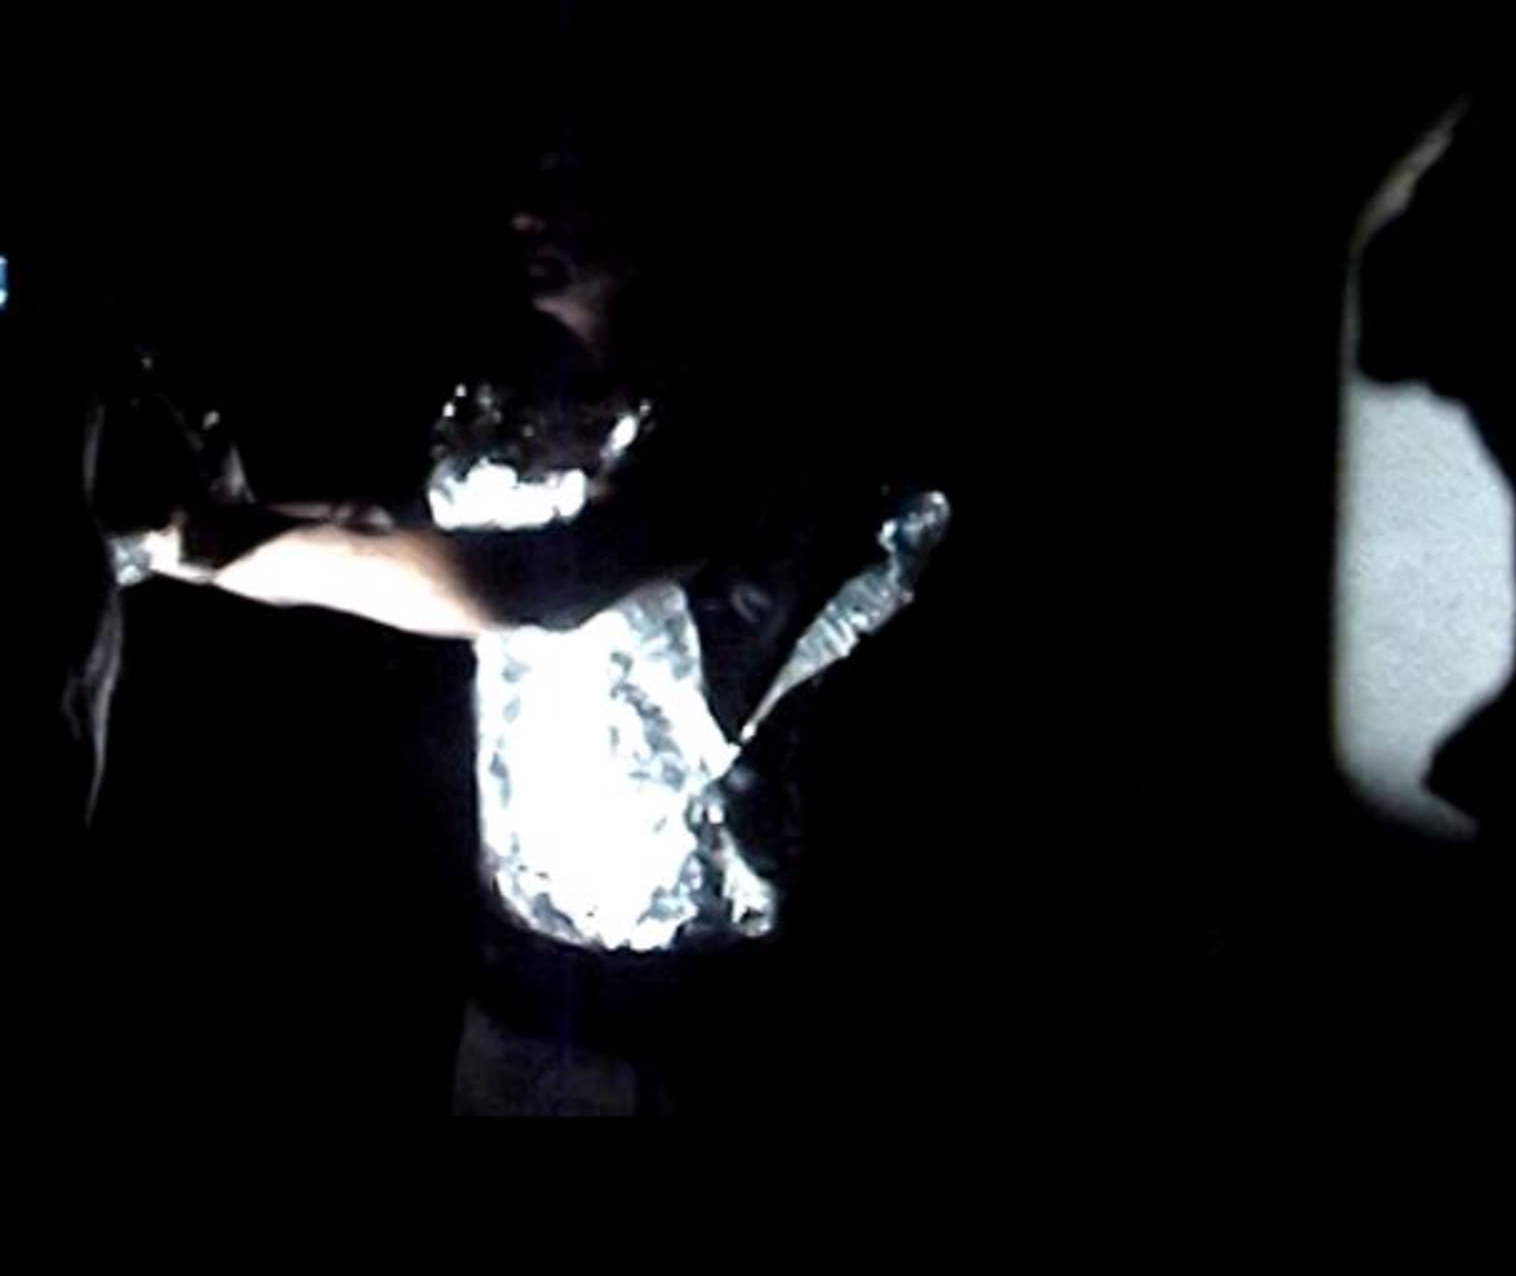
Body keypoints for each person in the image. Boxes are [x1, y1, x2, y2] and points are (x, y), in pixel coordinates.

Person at [99, 132, 953, 1112]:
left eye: (567, 188)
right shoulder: (536, 411)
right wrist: (208, 530)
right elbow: (388, 531)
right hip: (520, 986)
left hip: (681, 1023)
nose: (524, 218)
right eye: (523, 191)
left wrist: (208, 546)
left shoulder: (746, 417)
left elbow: (540, 585)